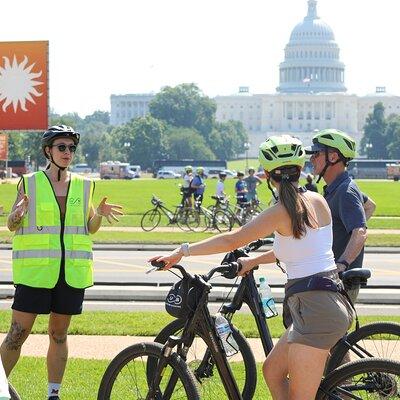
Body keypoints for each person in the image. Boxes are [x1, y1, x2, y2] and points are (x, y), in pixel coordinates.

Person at [150, 135, 353, 400]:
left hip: (315, 310)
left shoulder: (281, 211)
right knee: (272, 370)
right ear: (300, 169)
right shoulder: (316, 201)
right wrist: (253, 261)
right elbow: (295, 252)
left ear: (267, 175)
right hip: (324, 302)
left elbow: (232, 239)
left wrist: (182, 251)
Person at [0, 125, 123, 400]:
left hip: (70, 274)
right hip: (36, 274)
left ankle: (53, 394)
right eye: (62, 147)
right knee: (17, 333)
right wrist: (18, 214)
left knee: (58, 334)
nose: (68, 153)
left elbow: (88, 228)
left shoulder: (84, 185)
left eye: (71, 148)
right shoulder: (29, 182)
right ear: (48, 151)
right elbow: (11, 225)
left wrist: (99, 214)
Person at [306, 129, 368, 303]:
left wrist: (342, 263)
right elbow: (370, 205)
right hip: (332, 281)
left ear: (333, 157)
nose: (311, 159)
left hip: (340, 282)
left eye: (316, 153)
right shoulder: (339, 187)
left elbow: (360, 231)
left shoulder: (345, 191)